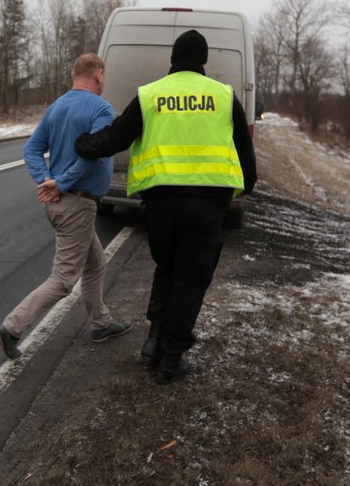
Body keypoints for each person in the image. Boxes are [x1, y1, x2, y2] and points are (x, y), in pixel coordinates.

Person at [75, 30, 257, 384]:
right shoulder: (223, 96)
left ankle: (156, 338)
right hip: (206, 205)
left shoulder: (151, 94)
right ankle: (170, 360)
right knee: (190, 280)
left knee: (168, 267)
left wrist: (83, 144)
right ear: (203, 61)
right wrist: (245, 187)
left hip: (160, 204)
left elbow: (116, 137)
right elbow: (244, 151)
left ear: (172, 60)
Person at [0, 53, 132, 360]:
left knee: (96, 263)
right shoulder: (100, 108)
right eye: (103, 76)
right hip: (77, 204)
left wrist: (46, 179)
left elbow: (30, 150)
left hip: (62, 204)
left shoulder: (55, 108)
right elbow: (94, 151)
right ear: (98, 75)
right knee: (63, 280)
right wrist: (62, 182)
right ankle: (12, 328)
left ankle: (100, 323)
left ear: (73, 74)